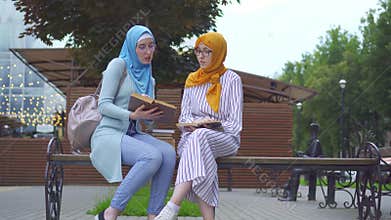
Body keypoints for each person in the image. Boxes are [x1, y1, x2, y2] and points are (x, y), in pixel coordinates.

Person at [90, 25, 176, 220]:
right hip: (109, 133)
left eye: (151, 46)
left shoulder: (149, 79)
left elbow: (146, 122)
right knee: (152, 156)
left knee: (168, 153)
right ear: (131, 47)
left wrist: (154, 115)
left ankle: (154, 214)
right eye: (142, 47)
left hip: (133, 133)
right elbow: (103, 106)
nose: (148, 52)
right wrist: (131, 115)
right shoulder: (118, 65)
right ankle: (110, 213)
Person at [155, 32, 243, 220]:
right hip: (192, 137)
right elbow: (185, 115)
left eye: (207, 51)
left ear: (219, 53)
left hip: (225, 138)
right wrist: (192, 125)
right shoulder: (192, 80)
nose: (201, 56)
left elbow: (235, 125)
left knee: (200, 137)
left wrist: (211, 125)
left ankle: (172, 206)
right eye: (198, 51)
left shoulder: (232, 80)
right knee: (201, 150)